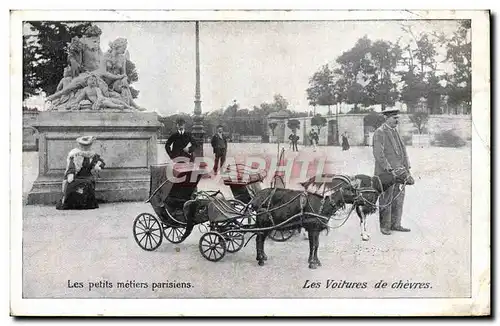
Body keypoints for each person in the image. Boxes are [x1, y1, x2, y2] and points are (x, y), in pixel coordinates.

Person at [372, 108, 413, 235]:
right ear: (387, 118)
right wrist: (389, 169)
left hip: (400, 172)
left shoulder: (395, 132)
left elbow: (403, 151)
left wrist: (407, 167)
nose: (397, 121)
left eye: (397, 118)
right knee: (386, 198)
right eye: (394, 118)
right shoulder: (380, 132)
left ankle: (396, 224)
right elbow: (378, 153)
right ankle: (385, 226)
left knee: (398, 198)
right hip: (386, 173)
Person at [56, 136, 105, 210]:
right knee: (72, 184)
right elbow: (71, 166)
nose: (85, 147)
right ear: (80, 145)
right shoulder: (75, 154)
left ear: (90, 145)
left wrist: (98, 166)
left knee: (88, 183)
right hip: (77, 176)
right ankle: (71, 203)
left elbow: (101, 162)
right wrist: (71, 174)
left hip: (88, 176)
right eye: (83, 145)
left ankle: (85, 204)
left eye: (87, 145)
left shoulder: (93, 155)